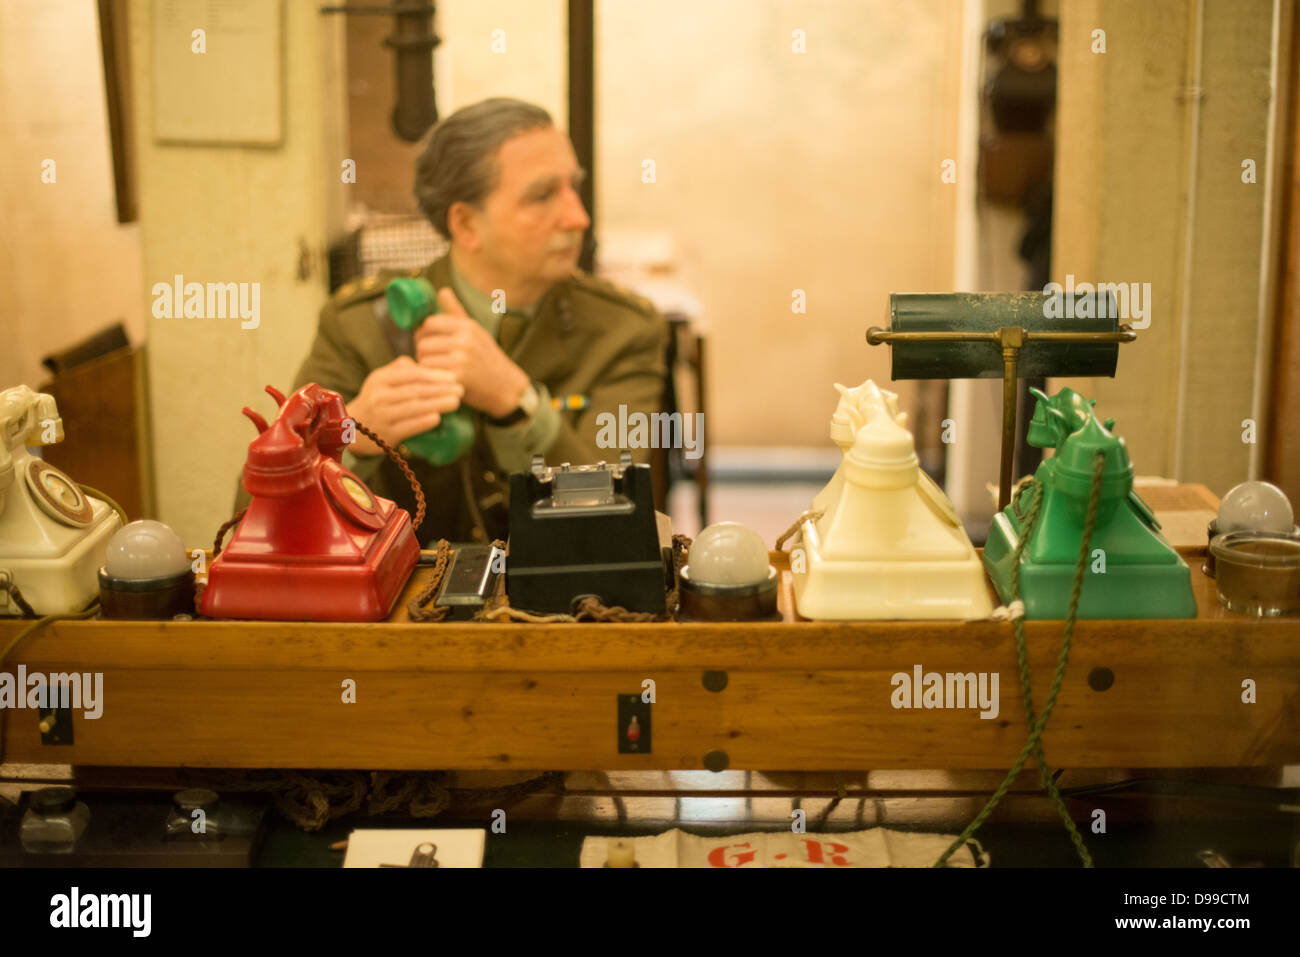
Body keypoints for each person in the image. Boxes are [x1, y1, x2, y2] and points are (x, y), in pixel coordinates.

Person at [234, 98, 667, 544]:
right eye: (542, 196)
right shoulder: (362, 327)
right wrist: (350, 436)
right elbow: (250, 526)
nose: (579, 217)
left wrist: (518, 405)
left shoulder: (624, 330)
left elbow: (621, 526)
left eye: (573, 188)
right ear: (465, 224)